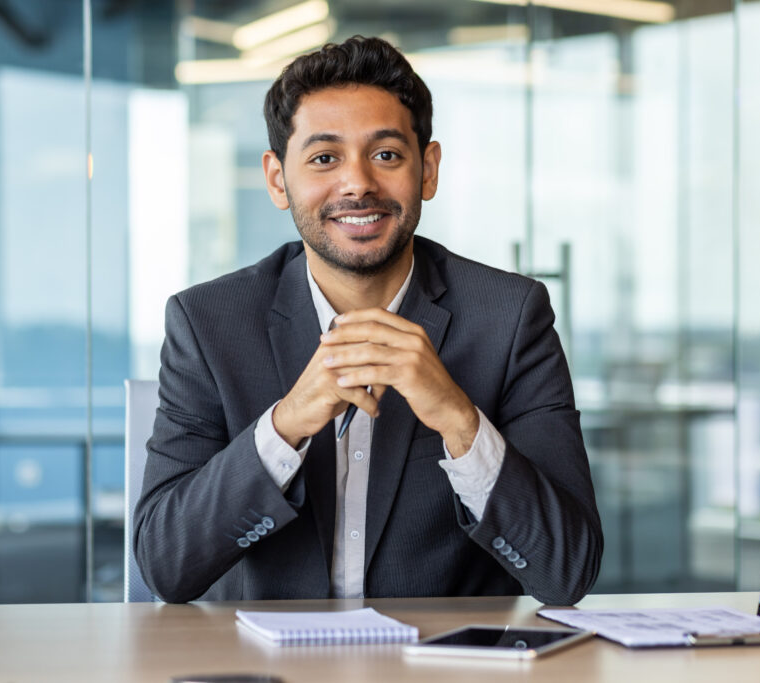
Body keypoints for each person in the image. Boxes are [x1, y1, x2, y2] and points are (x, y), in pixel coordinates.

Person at [133, 36, 602, 605]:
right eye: (324, 158)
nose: (357, 184)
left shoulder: (510, 317)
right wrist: (284, 427)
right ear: (279, 179)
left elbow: (567, 573)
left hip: (441, 665)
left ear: (427, 170)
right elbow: (165, 566)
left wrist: (459, 420)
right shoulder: (208, 322)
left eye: (385, 155)